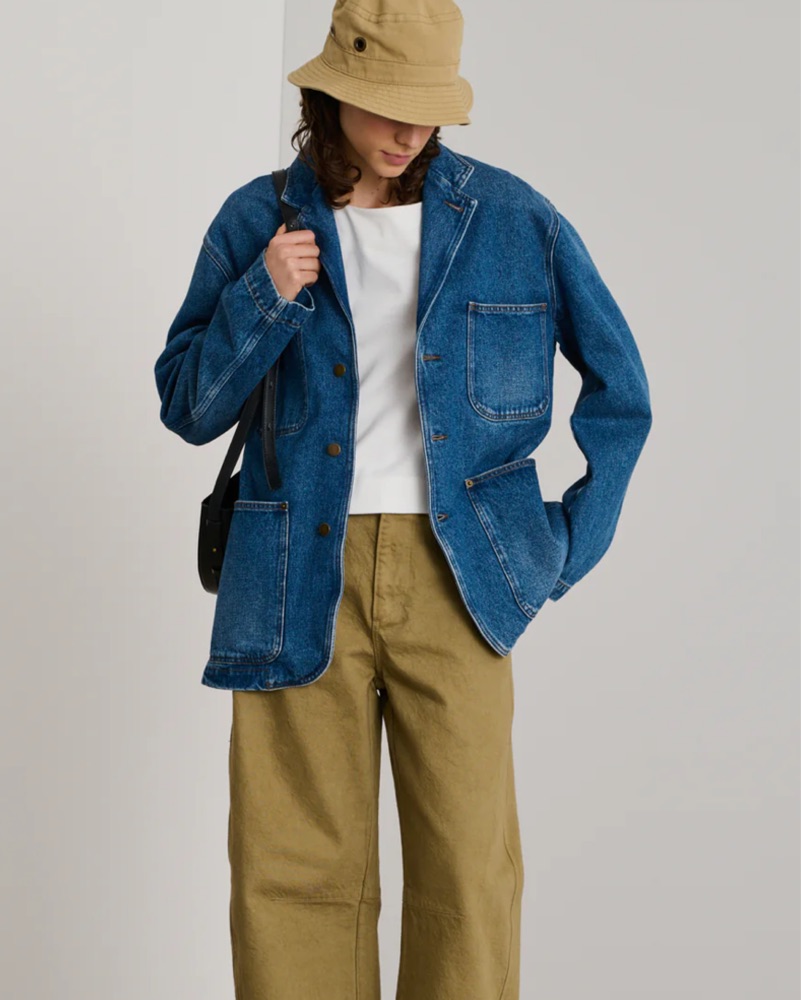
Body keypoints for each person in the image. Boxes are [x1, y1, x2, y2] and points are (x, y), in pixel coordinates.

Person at [153, 1, 653, 996]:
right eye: (387, 104)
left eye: (428, 109)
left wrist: (561, 544)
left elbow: (621, 391)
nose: (409, 130)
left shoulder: (513, 219)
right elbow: (187, 405)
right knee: (292, 877)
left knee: (467, 875)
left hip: (460, 577)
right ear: (332, 92)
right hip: (295, 574)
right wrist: (263, 294)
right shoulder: (260, 219)